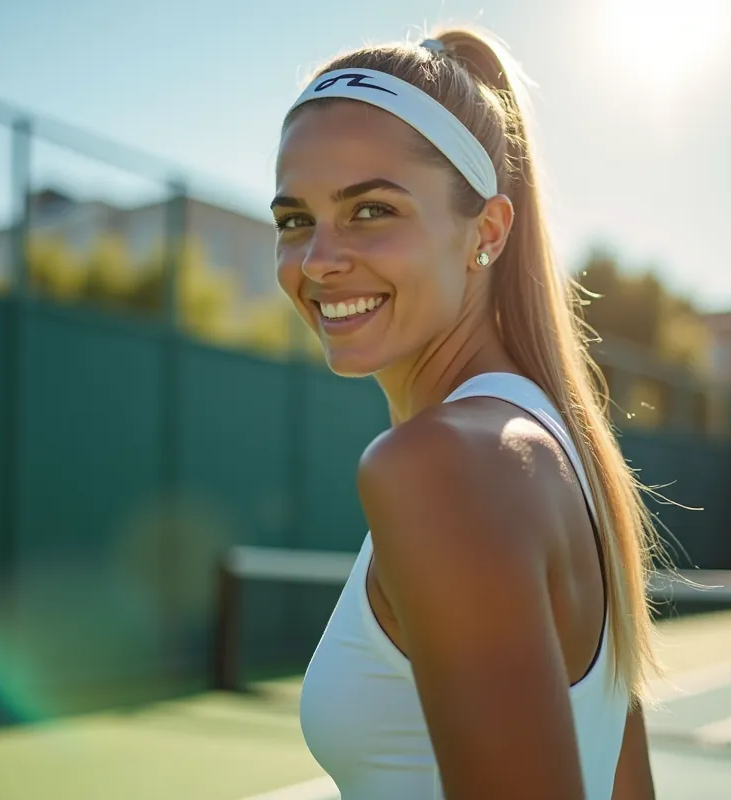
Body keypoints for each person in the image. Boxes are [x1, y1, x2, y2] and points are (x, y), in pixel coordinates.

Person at [271, 25, 662, 800]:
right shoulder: (547, 454)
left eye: (371, 210)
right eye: (293, 220)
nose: (318, 260)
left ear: (486, 231)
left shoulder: (443, 465)